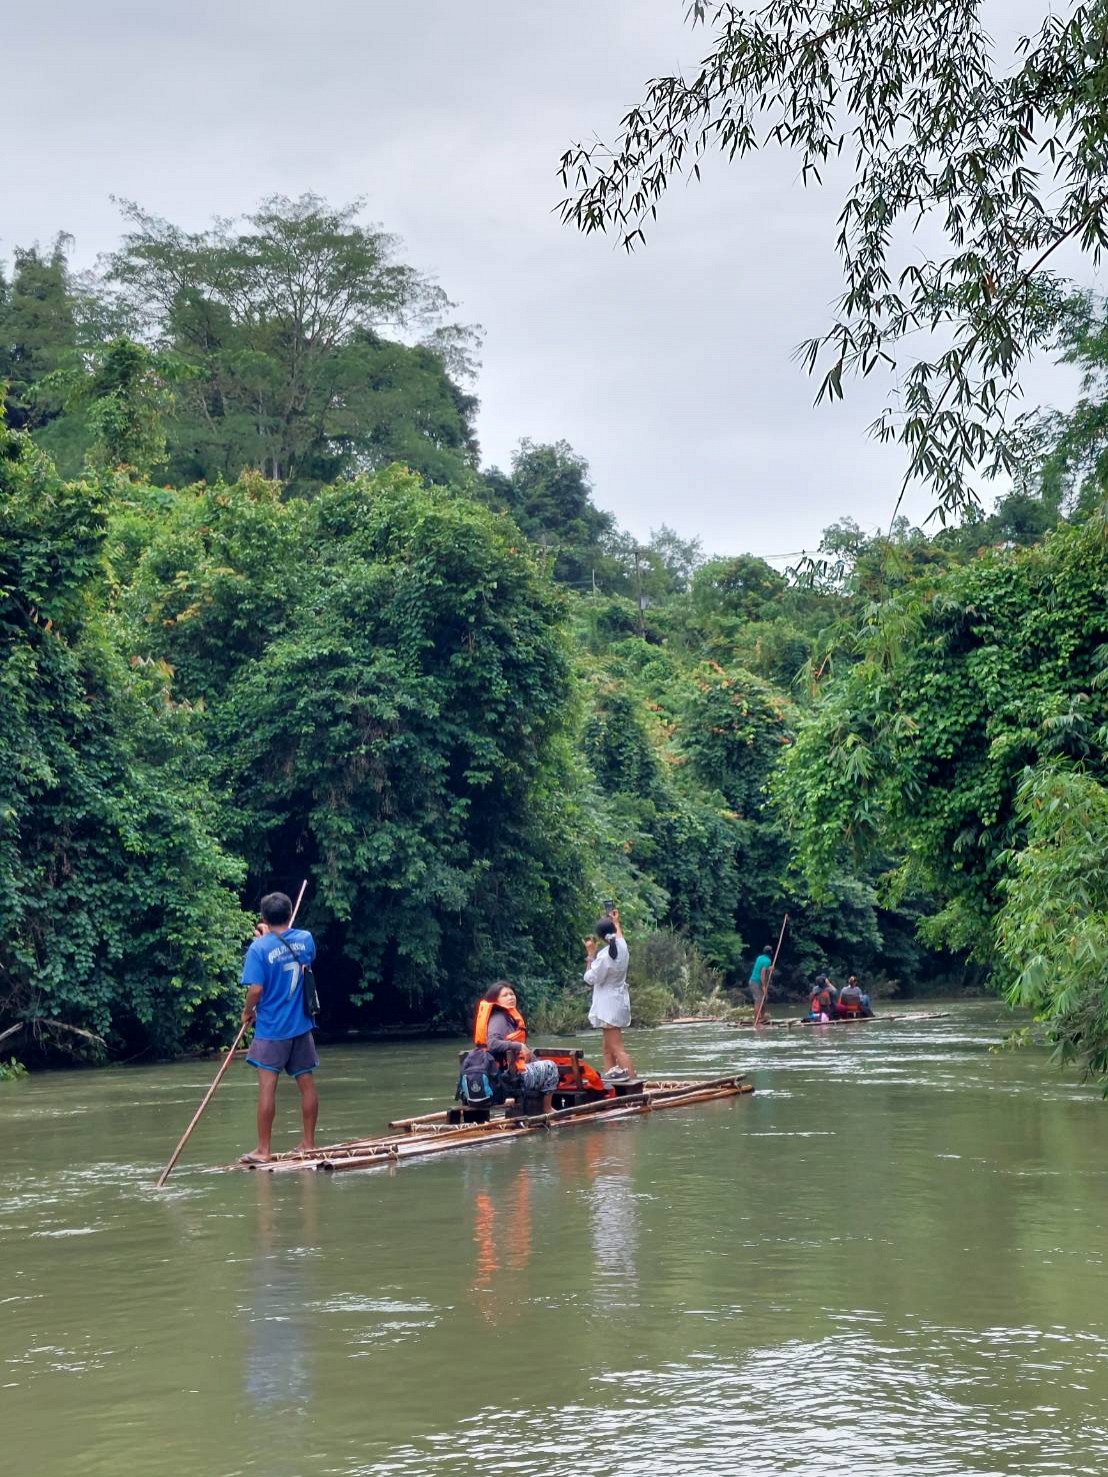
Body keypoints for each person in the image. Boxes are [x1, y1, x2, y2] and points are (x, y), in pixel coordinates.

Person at [239, 891, 319, 1165]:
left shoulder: (258, 950)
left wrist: (247, 1012)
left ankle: (263, 1149)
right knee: (306, 1084)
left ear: (263, 918)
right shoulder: (306, 939)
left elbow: (257, 988)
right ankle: (308, 1143)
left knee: (267, 1088)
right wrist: (269, 938)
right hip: (301, 1026)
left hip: (272, 1029)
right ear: (288, 914)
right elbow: (297, 954)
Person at [583, 909, 635, 1082]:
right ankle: (612, 1084)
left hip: (608, 1006)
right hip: (617, 1001)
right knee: (607, 1049)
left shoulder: (604, 956)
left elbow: (590, 978)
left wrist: (590, 955)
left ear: (600, 937)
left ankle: (633, 1086)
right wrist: (616, 921)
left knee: (618, 1049)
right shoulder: (622, 946)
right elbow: (618, 935)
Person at [495, 1041, 560, 1115]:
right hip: (517, 1077)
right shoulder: (499, 1032)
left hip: (512, 1076)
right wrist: (519, 1045)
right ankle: (547, 1108)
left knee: (549, 1067)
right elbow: (493, 1044)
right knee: (551, 1066)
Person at [473, 981, 527, 1051]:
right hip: (499, 1060)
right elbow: (492, 1043)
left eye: (512, 994)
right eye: (505, 995)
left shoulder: (508, 1017)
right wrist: (519, 1046)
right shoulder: (498, 1018)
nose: (511, 997)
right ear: (495, 1000)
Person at [748, 943, 775, 1019]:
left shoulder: (759, 957)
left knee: (764, 999)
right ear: (770, 952)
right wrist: (763, 986)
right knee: (758, 1001)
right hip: (755, 982)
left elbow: (761, 967)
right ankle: (757, 1019)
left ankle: (761, 1018)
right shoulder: (768, 961)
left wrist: (769, 969)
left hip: (753, 981)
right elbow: (762, 973)